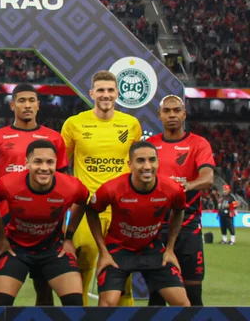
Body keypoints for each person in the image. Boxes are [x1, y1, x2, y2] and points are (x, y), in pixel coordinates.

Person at [0, 83, 68, 305]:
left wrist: (63, 223)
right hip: (6, 222)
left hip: (45, 222)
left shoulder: (54, 139)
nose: (27, 105)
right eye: (21, 100)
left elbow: (64, 184)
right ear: (12, 105)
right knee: (1, 290)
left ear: (38, 105)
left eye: (31, 101)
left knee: (45, 288)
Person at [60, 70, 141, 306]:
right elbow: (61, 169)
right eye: (101, 90)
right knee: (81, 274)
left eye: (110, 90)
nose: (106, 95)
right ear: (91, 93)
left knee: (123, 277)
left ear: (117, 93)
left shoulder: (131, 124)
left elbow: (136, 165)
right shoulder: (74, 124)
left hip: (121, 211)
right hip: (85, 211)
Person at [87, 141, 190, 307]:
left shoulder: (173, 189)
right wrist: (103, 251)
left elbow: (179, 211)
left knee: (183, 304)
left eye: (152, 160)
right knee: (107, 305)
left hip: (152, 248)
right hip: (118, 250)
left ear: (158, 162)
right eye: (140, 160)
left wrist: (170, 249)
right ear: (130, 164)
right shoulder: (111, 188)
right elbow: (91, 211)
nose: (147, 166)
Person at [0, 140, 88, 306]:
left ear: (56, 162)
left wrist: (69, 237)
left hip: (53, 249)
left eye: (50, 162)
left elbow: (83, 202)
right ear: (26, 163)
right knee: (0, 302)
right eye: (37, 161)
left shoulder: (71, 186)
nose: (44, 168)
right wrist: (1, 236)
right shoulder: (9, 183)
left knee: (75, 302)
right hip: (15, 249)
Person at [146, 95, 215, 306]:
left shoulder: (198, 143)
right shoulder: (150, 145)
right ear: (160, 115)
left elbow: (208, 178)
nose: (172, 115)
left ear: (184, 114)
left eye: (177, 110)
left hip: (188, 227)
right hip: (156, 228)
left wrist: (186, 186)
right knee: (157, 295)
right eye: (167, 111)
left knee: (193, 293)